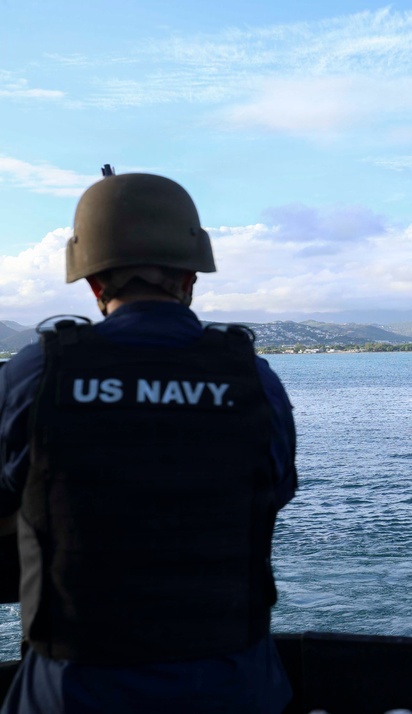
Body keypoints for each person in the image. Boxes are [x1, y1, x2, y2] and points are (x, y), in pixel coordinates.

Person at [0, 169, 297, 713]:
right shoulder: (254, 380)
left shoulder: (33, 374)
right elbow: (272, 492)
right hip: (233, 688)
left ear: (93, 283)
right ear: (191, 277)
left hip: (70, 692)